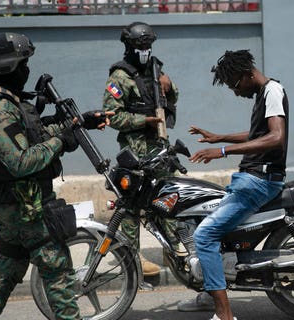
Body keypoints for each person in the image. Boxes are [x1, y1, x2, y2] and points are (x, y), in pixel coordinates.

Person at [0, 32, 111, 320]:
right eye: (23, 63)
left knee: (8, 268)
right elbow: (21, 161)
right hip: (27, 208)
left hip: (17, 205)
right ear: (10, 67)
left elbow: (33, 136)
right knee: (58, 271)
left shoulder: (6, 101)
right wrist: (61, 141)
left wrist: (77, 124)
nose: (27, 69)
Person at [186, 49, 289, 320]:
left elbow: (276, 137)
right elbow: (257, 134)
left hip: (260, 180)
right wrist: (218, 137)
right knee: (201, 219)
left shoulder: (273, 91)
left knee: (204, 236)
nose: (235, 92)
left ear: (247, 74)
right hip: (250, 179)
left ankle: (224, 315)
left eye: (234, 85)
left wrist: (221, 152)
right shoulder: (263, 95)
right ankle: (210, 289)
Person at [102, 21, 180, 277]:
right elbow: (112, 117)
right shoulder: (119, 77)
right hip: (135, 151)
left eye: (148, 45)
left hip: (159, 147)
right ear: (129, 46)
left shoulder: (157, 68)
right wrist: (142, 121)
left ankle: (175, 250)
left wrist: (170, 88)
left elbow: (170, 101)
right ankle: (131, 257)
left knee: (168, 198)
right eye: (140, 45)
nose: (145, 49)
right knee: (132, 206)